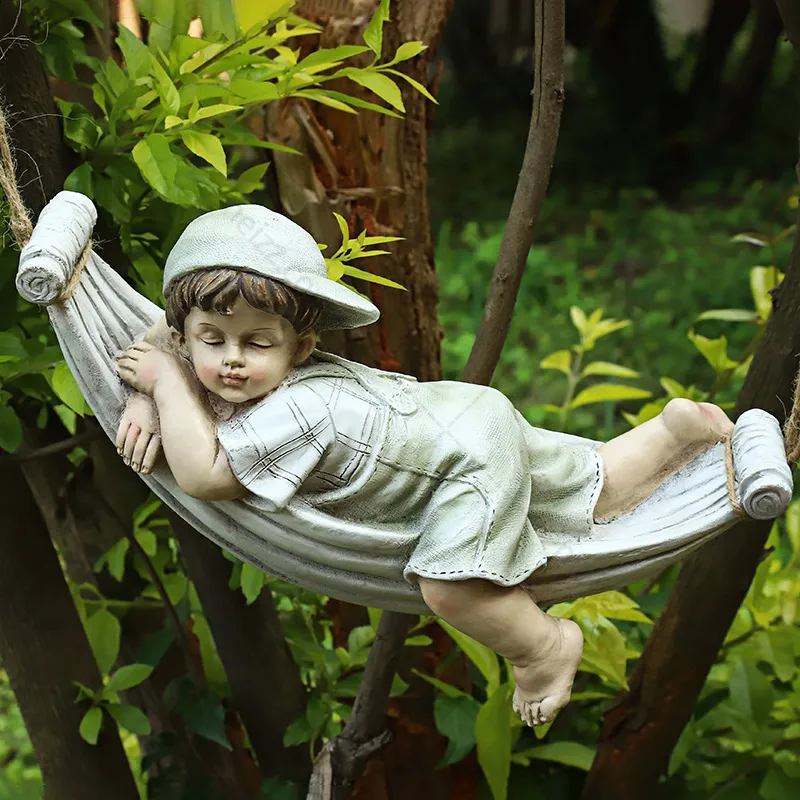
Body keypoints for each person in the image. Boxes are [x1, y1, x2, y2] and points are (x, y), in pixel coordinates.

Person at [116, 205, 733, 726]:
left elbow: (204, 476)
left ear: (301, 348)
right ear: (186, 332)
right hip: (460, 417)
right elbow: (163, 333)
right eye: (211, 341)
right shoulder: (221, 347)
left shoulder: (298, 409)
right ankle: (671, 433)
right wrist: (144, 393)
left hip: (460, 466)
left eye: (257, 344)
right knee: (572, 491)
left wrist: (166, 387)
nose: (230, 361)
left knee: (450, 587)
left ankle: (546, 647)